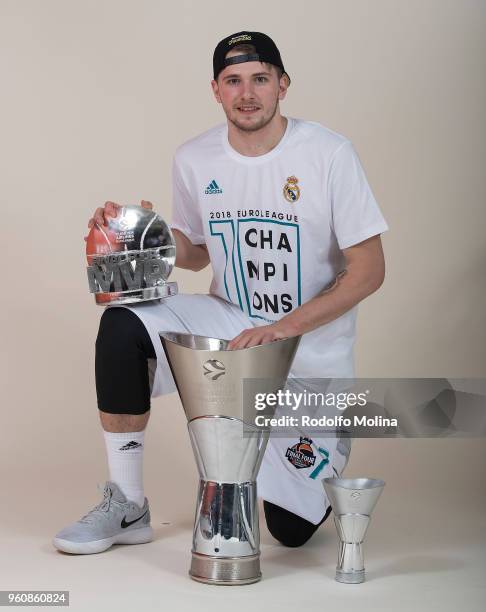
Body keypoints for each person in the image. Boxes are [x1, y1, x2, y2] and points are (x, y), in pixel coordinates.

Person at [53, 31, 388, 554]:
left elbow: (369, 270)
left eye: (259, 79)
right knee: (123, 324)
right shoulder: (195, 158)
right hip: (232, 322)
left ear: (282, 85)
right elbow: (196, 252)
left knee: (290, 532)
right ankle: (128, 503)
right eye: (233, 81)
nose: (247, 92)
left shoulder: (328, 154)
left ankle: (324, 443)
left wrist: (283, 327)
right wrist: (141, 234)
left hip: (305, 353)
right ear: (216, 90)